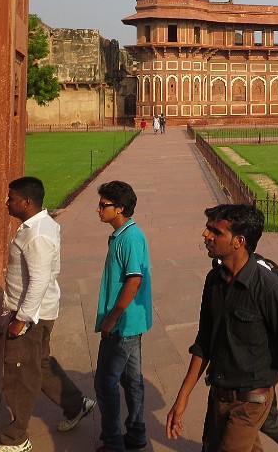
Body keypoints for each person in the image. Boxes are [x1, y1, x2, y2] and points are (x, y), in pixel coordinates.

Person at [167, 203, 278, 450]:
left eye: (216, 231)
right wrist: (182, 398)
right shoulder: (214, 280)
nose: (206, 235)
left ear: (239, 241)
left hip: (251, 400)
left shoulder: (268, 289)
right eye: (207, 229)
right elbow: (204, 342)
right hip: (219, 393)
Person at [0, 177, 95, 452]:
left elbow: (39, 281)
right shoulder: (41, 225)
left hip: (31, 315)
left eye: (11, 198)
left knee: (20, 375)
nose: (7, 202)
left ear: (26, 202)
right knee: (40, 364)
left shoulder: (37, 234)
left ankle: (17, 438)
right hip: (40, 310)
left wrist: (21, 319)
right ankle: (77, 405)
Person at [94, 181, 153, 452]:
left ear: (119, 208)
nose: (98, 209)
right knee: (132, 380)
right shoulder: (125, 235)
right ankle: (137, 433)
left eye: (103, 205)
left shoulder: (129, 237)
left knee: (105, 382)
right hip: (131, 322)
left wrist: (112, 317)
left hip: (123, 323)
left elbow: (134, 280)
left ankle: (113, 440)